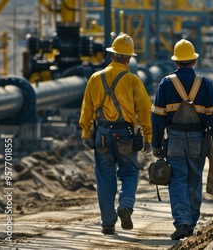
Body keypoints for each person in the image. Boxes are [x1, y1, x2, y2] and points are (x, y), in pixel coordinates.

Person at [79, 33, 152, 235]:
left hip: (101, 133)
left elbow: (86, 108)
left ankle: (107, 223)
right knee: (130, 172)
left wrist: (86, 132)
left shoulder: (95, 78)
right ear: (128, 59)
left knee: (104, 177)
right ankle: (125, 206)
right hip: (125, 134)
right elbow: (145, 110)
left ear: (112, 56)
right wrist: (148, 136)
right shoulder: (133, 80)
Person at [151, 38, 213, 240]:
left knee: (177, 181)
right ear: (193, 61)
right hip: (197, 140)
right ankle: (191, 223)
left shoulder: (166, 83)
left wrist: (156, 144)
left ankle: (182, 222)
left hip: (173, 139)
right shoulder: (205, 84)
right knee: (194, 180)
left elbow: (157, 118)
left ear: (176, 62)